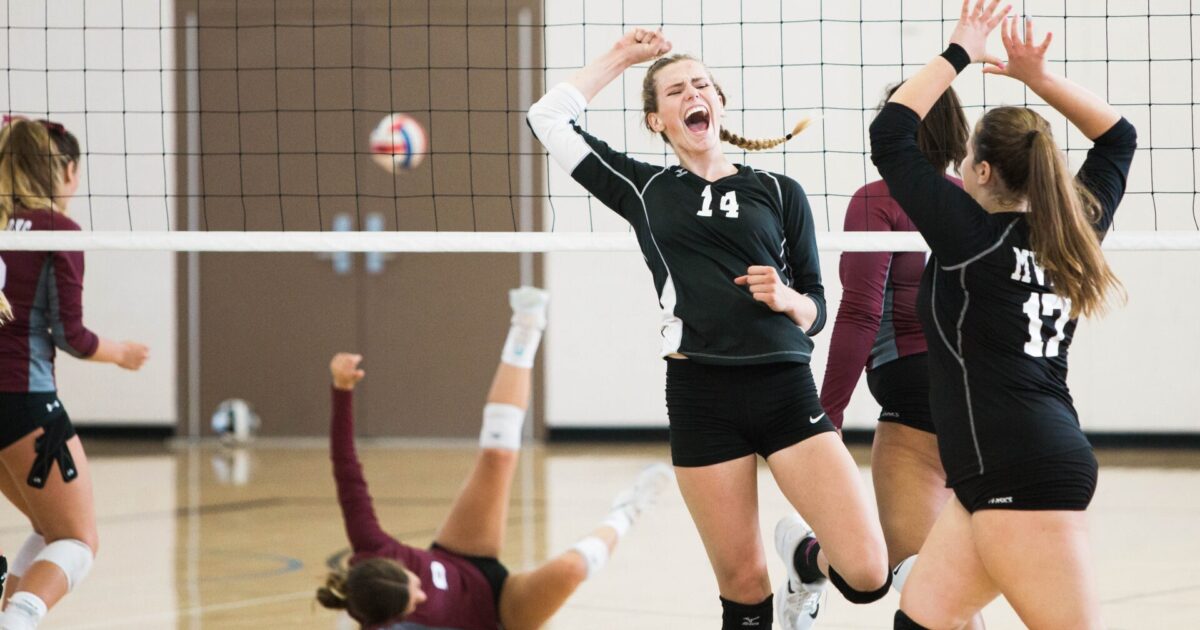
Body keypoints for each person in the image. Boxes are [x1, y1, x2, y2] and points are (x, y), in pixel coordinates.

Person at [528, 29, 890, 630]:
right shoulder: (644, 190)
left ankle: (807, 560)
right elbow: (548, 117)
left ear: (718, 102)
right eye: (675, 90)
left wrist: (790, 299)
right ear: (657, 120)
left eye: (700, 84)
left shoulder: (778, 190)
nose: (691, 93)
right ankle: (781, 580)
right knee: (744, 588)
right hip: (702, 397)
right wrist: (624, 57)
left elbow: (820, 306)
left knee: (868, 573)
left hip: (784, 388)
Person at [870, 1, 1137, 627]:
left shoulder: (970, 237)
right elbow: (1119, 137)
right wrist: (1036, 78)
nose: (958, 169)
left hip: (1023, 470)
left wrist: (962, 47)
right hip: (998, 470)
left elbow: (891, 134)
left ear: (983, 172)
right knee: (921, 621)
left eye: (965, 160)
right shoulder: (1074, 231)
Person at [316, 287, 672, 629]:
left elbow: (347, 471)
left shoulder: (371, 544)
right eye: (416, 602)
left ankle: (526, 327)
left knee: (497, 457)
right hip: (502, 613)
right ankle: (627, 511)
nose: (423, 593)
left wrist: (342, 391)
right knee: (570, 570)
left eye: (414, 583)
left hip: (460, 556)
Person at [820, 84, 984, 629]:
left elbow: (860, 315)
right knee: (949, 595)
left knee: (920, 584)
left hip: (916, 397)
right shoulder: (975, 196)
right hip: (985, 402)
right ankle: (806, 561)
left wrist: (825, 420)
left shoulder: (878, 198)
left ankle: (804, 561)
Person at [0, 117, 150, 630]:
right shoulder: (56, 230)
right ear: (65, 170)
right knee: (77, 540)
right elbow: (72, 335)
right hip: (23, 404)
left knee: (49, 529)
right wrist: (122, 354)